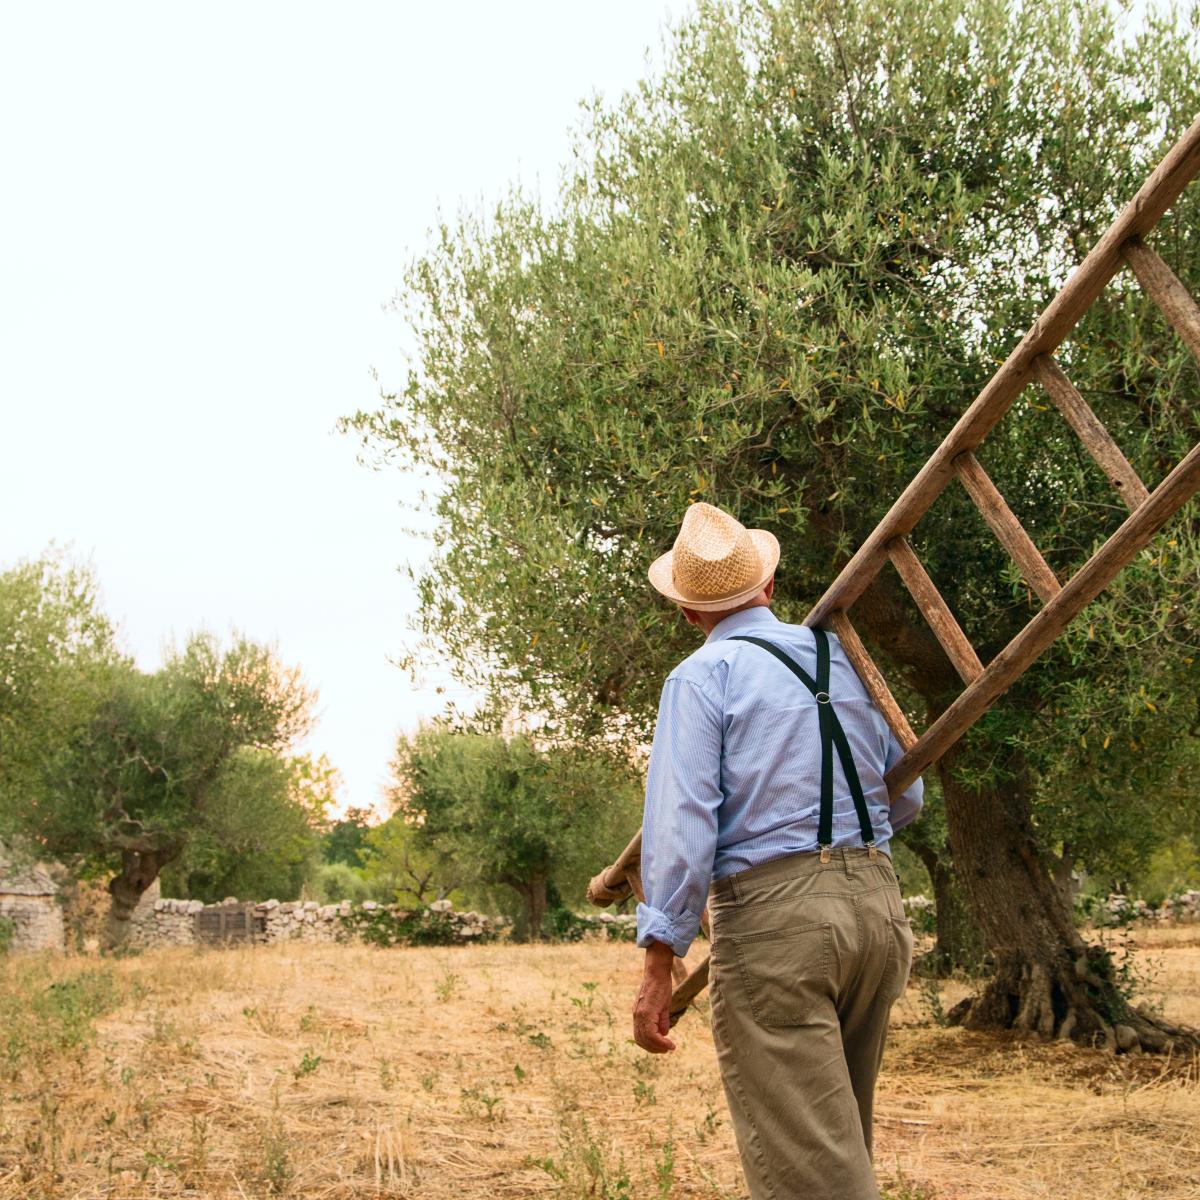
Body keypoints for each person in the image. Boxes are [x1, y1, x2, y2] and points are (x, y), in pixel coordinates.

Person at [631, 501, 924, 1200]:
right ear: (767, 585)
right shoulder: (841, 655)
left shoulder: (701, 678)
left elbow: (684, 823)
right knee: (838, 1143)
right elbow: (905, 796)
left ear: (689, 613)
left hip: (778, 929)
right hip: (878, 912)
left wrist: (657, 960)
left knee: (813, 1176)